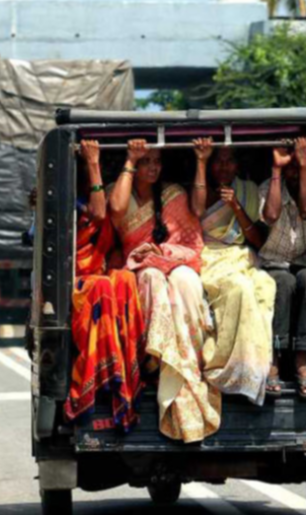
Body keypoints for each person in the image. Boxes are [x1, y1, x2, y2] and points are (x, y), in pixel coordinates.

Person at [108, 139, 220, 443]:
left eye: (157, 161)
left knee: (186, 280)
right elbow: (116, 211)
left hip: (173, 259)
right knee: (152, 279)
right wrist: (131, 160)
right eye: (147, 162)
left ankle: (190, 361)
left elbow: (189, 242)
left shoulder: (173, 194)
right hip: (139, 268)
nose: (153, 167)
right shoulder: (119, 190)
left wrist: (163, 253)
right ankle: (155, 359)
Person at [65, 140, 144, 431]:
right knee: (100, 287)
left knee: (123, 280)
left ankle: (128, 371)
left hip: (98, 273)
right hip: (77, 283)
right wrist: (93, 162)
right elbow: (98, 214)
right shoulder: (68, 200)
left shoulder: (109, 196)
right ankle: (102, 376)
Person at [190, 138, 275, 405]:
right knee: (239, 288)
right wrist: (201, 162)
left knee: (264, 285)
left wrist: (236, 206)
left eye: (230, 160)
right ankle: (226, 364)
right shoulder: (197, 188)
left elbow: (258, 241)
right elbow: (197, 210)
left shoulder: (246, 190)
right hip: (208, 257)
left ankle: (259, 365)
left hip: (239, 255)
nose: (224, 166)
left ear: (237, 164)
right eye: (219, 160)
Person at [260, 137, 306, 399]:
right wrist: (276, 169)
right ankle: (274, 357)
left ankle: (301, 359)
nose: (294, 172)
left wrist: (304, 165)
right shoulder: (269, 187)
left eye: (299, 167)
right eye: (291, 167)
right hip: (273, 263)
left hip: (303, 263)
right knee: (283, 283)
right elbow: (271, 215)